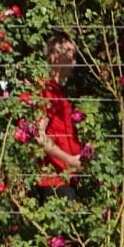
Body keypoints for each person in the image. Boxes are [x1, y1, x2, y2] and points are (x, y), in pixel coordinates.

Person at [38, 34, 87, 188]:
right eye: (71, 55)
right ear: (57, 56)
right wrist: (70, 160)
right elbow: (39, 136)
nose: (75, 62)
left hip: (65, 179)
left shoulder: (58, 92)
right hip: (54, 182)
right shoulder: (46, 91)